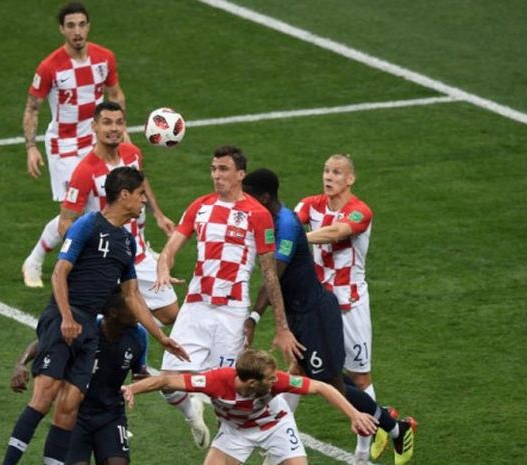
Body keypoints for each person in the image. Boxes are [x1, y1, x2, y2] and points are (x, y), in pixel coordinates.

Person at [2, 166, 189, 465]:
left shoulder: (126, 242)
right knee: (44, 396)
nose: (145, 201)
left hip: (87, 326)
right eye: (141, 195)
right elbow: (59, 274)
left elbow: (132, 296)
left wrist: (162, 336)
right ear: (124, 195)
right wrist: (65, 317)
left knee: (68, 409)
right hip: (63, 317)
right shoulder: (87, 225)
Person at [242, 168, 416, 465]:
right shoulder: (274, 219)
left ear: (264, 197)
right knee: (315, 376)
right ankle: (391, 424)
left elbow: (272, 279)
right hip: (302, 313)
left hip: (316, 315)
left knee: (332, 384)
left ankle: (393, 428)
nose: (243, 202)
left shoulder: (286, 226)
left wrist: (256, 317)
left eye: (247, 196)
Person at [151, 146, 304, 449]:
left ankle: (260, 443)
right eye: (213, 169)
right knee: (167, 383)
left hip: (231, 313)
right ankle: (191, 412)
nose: (216, 175)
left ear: (240, 175)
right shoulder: (200, 206)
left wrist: (281, 326)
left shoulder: (258, 216)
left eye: (223, 169)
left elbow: (270, 274)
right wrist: (162, 268)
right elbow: (171, 247)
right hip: (195, 308)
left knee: (231, 395)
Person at [22, 1, 130, 288]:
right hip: (63, 146)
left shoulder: (104, 58)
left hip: (95, 141)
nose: (77, 31)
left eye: (82, 24)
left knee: (114, 198)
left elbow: (115, 93)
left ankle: (133, 251)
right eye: (71, 26)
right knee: (75, 211)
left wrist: (122, 131)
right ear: (62, 29)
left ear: (89, 26)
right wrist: (31, 147)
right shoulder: (50, 67)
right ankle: (34, 260)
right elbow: (33, 108)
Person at [123, 349, 377, 465]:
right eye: (270, 379)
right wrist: (132, 389)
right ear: (253, 383)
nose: (277, 380)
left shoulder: (276, 381)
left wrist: (354, 414)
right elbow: (167, 380)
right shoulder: (215, 381)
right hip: (236, 431)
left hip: (274, 424)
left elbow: (322, 387)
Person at [58, 101, 179, 326]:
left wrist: (158, 214)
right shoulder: (84, 172)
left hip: (138, 251)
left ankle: (123, 323)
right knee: (111, 317)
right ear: (94, 126)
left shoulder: (133, 154)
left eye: (119, 123)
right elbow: (65, 222)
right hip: (107, 257)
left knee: (170, 314)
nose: (113, 128)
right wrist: (87, 253)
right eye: (107, 123)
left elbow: (141, 182)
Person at [294, 154, 378, 461]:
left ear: (350, 179)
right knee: (296, 369)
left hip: (350, 304)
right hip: (316, 305)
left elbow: (336, 232)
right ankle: (280, 442)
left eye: (337, 172)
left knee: (359, 378)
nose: (329, 177)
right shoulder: (310, 205)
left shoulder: (360, 212)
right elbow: (288, 220)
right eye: (326, 171)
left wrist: (298, 240)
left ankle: (362, 451)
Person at [11, 291, 145, 465]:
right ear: (114, 312)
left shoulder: (139, 335)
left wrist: (143, 378)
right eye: (133, 305)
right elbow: (44, 342)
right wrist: (20, 364)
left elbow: (138, 369)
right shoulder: (87, 328)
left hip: (111, 414)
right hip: (75, 414)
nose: (140, 308)